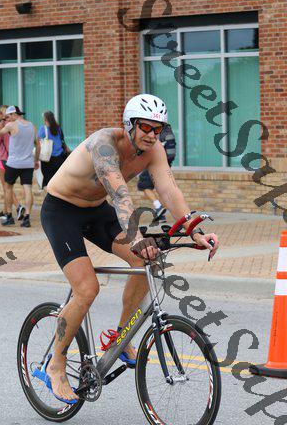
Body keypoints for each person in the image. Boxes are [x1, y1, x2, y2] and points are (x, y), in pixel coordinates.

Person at [40, 94, 219, 404]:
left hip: (96, 211)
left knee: (148, 261)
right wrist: (135, 238)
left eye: (158, 129)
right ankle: (55, 363)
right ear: (129, 124)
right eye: (146, 127)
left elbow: (169, 190)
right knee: (87, 289)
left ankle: (121, 338)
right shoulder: (104, 144)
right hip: (62, 210)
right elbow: (121, 195)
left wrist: (194, 230)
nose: (152, 135)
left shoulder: (153, 150)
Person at [0, 106, 40, 227]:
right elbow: (38, 145)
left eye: (8, 116)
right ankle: (27, 218)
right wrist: (36, 160)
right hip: (28, 163)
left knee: (8, 188)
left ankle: (9, 216)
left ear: (13, 114)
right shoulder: (32, 126)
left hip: (13, 163)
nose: (7, 119)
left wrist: (2, 123)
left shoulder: (11, 125)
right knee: (27, 188)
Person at [137, 123, 176, 222]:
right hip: (166, 165)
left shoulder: (158, 133)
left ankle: (158, 207)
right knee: (162, 189)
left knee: (143, 185)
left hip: (156, 164)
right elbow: (171, 153)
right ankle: (161, 214)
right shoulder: (169, 133)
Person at [37, 111, 70, 188]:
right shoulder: (58, 128)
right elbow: (62, 140)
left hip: (47, 158)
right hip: (60, 157)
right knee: (59, 179)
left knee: (48, 180)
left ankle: (50, 193)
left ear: (45, 119)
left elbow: (37, 141)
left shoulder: (43, 129)